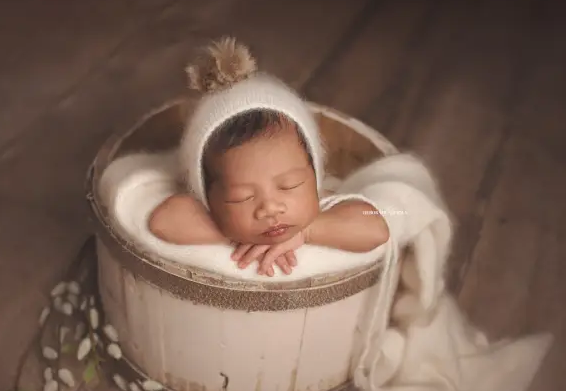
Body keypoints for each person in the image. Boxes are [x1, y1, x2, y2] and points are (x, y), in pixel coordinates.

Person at [148, 37, 389, 277]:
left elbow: (376, 229)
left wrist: (307, 232)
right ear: (207, 197)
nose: (270, 208)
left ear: (314, 173)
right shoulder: (207, 212)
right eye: (242, 197)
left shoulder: (325, 205)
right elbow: (164, 221)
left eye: (289, 185)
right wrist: (232, 233)